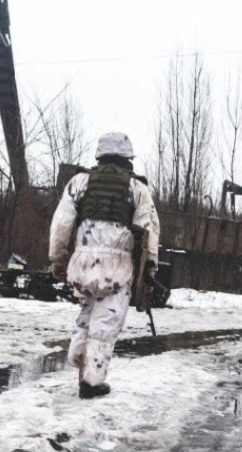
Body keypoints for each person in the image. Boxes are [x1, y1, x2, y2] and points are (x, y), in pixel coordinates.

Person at [49, 132, 160, 398]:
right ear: (128, 157)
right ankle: (92, 382)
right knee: (106, 324)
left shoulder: (79, 182)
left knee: (85, 315)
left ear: (100, 154)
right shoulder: (138, 188)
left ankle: (79, 359)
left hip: (82, 263)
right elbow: (149, 232)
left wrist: (57, 259)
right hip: (116, 267)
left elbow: (61, 224)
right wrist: (149, 269)